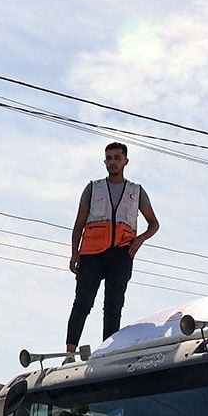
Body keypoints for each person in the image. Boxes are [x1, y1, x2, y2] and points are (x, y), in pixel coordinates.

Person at [66, 141, 160, 355]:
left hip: (121, 254)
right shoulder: (93, 188)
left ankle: (106, 352)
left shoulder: (136, 192)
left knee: (113, 306)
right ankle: (69, 353)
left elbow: (154, 223)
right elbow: (79, 223)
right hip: (90, 254)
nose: (112, 162)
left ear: (125, 161)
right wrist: (74, 252)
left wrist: (140, 239)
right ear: (105, 161)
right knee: (82, 303)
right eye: (109, 158)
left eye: (117, 157)